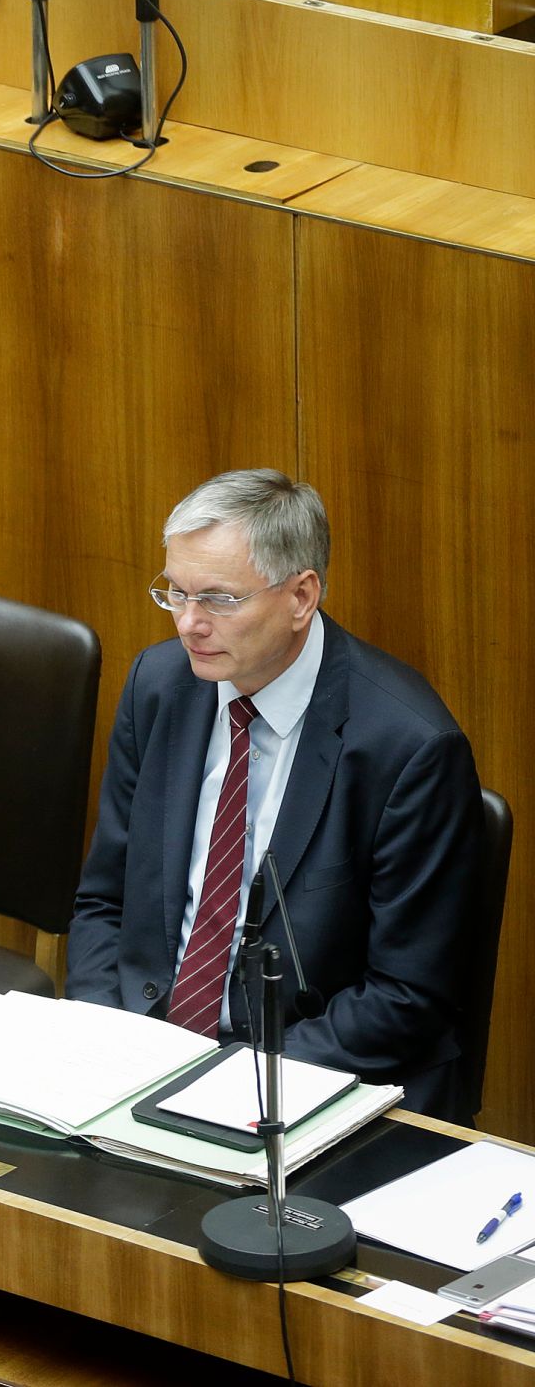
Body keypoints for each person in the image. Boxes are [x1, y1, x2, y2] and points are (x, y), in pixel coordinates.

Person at [65, 469, 481, 1114]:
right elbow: (104, 902)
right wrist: (105, 1036)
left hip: (311, 1077)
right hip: (145, 1057)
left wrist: (236, 1087)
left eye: (219, 599)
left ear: (300, 597)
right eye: (175, 594)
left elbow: (407, 996)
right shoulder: (160, 685)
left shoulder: (409, 747)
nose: (189, 625)